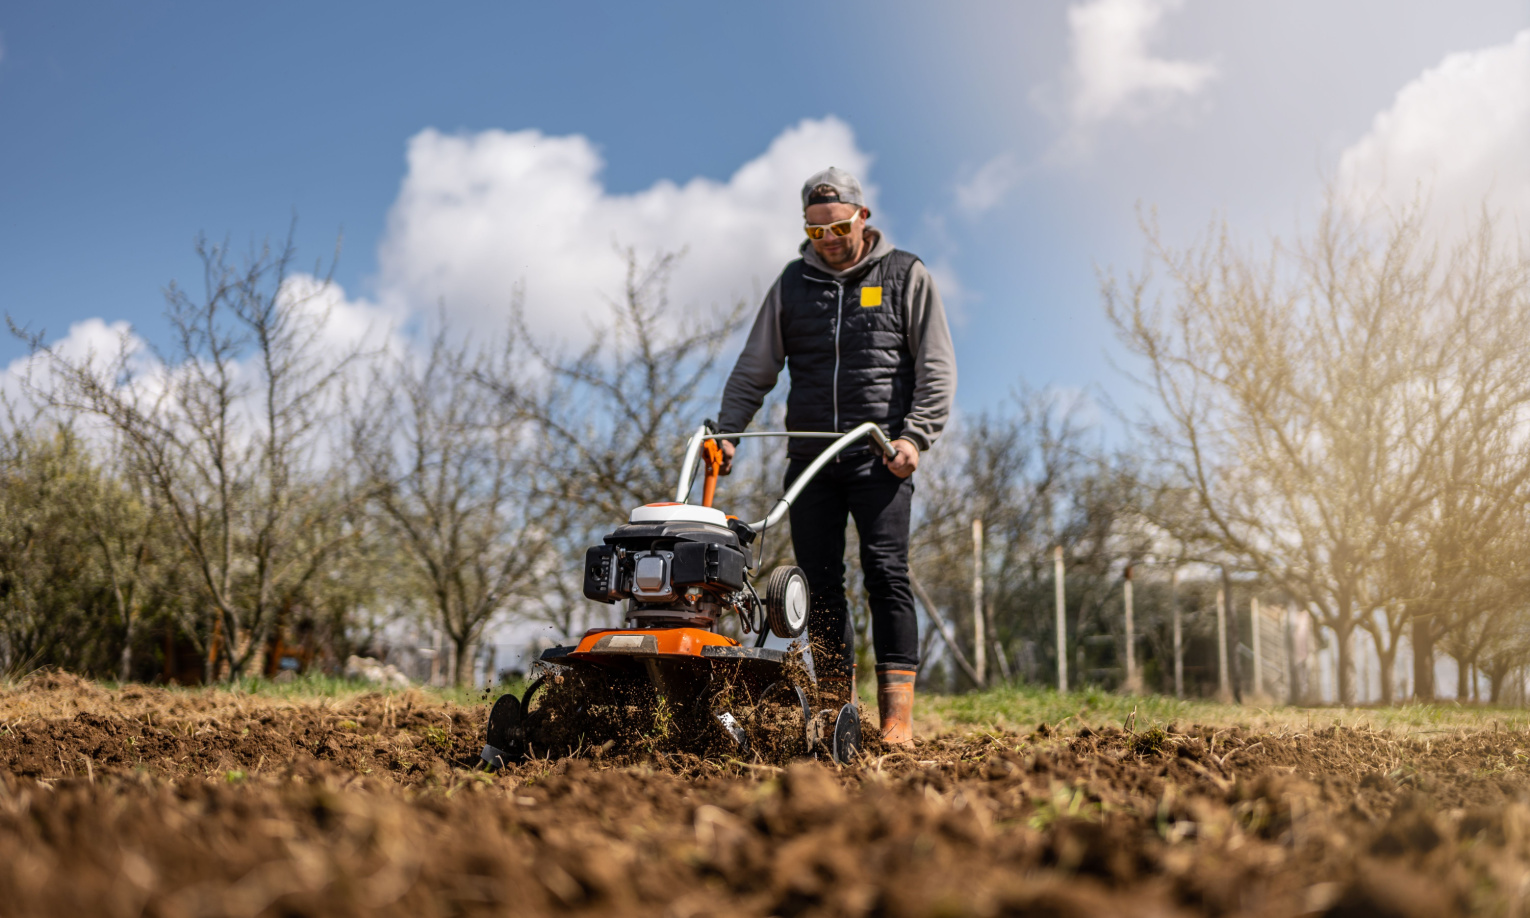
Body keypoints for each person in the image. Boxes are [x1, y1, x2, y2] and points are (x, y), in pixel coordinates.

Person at [716, 167, 956, 746]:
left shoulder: (905, 275)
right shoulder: (792, 284)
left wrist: (915, 437)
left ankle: (896, 719)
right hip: (812, 461)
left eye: (840, 227)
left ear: (862, 217)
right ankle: (834, 709)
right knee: (819, 585)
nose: (829, 239)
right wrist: (727, 430)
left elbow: (936, 368)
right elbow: (756, 367)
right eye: (816, 230)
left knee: (886, 574)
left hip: (880, 457)